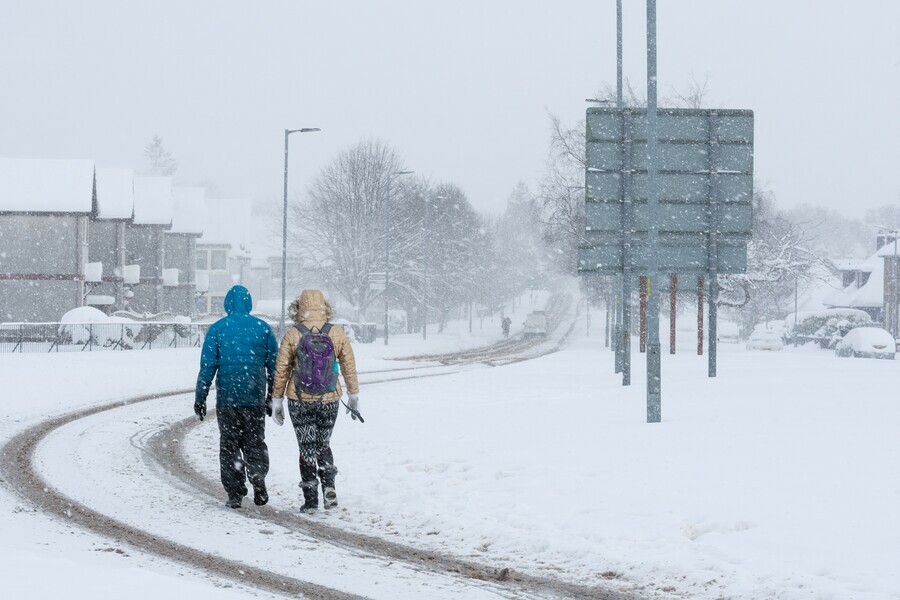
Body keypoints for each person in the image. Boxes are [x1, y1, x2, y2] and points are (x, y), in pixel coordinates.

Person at [270, 289, 360, 513]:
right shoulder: (336, 332)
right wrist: (353, 394)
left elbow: (281, 370)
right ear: (325, 306)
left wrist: (277, 400)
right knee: (323, 444)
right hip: (329, 399)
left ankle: (310, 500)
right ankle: (329, 488)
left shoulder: (293, 334)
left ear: (298, 307)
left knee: (306, 447)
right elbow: (349, 365)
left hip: (299, 400)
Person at [194, 285, 278, 509]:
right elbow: (275, 367)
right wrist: (272, 396)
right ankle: (257, 474)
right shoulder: (263, 329)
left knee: (229, 445)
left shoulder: (218, 329)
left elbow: (208, 366)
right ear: (249, 303)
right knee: (254, 441)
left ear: (227, 304)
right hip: (254, 397)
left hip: (228, 399)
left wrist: (200, 397)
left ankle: (235, 491)